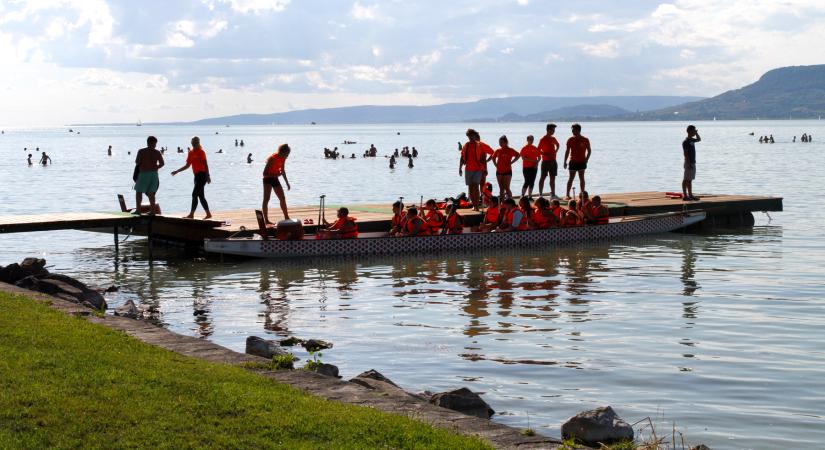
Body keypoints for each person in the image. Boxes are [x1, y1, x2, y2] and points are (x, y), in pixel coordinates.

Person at [171, 136, 212, 219]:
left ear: (198, 143)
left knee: (194, 194)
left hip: (203, 175)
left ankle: (191, 214)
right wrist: (177, 171)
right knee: (200, 196)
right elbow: (187, 165)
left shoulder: (201, 152)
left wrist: (208, 176)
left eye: (196, 142)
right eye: (193, 143)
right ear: (191, 143)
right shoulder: (191, 152)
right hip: (196, 176)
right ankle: (208, 214)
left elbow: (205, 164)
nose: (194, 144)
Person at [459, 129, 493, 210]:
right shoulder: (466, 145)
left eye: (472, 135)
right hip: (468, 169)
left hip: (478, 169)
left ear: (475, 136)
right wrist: (459, 168)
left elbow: (485, 157)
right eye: (469, 136)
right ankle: (474, 205)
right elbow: (462, 157)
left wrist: (485, 168)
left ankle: (477, 206)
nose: (471, 137)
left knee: (476, 186)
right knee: (471, 187)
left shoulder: (480, 145)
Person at [134, 136, 164, 214]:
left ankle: (138, 210)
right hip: (154, 174)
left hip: (144, 173)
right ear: (152, 143)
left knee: (139, 191)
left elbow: (137, 162)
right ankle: (153, 211)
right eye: (155, 143)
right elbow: (162, 163)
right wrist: (156, 167)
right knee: (151, 193)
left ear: (147, 142)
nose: (155, 145)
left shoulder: (141, 151)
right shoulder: (157, 152)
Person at [262, 143, 291, 223]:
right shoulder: (272, 158)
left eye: (288, 154)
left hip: (275, 179)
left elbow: (283, 170)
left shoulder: (283, 158)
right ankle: (266, 220)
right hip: (267, 179)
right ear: (282, 152)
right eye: (287, 154)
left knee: (282, 198)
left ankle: (286, 217)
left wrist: (287, 183)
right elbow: (264, 173)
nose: (287, 156)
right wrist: (276, 174)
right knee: (266, 199)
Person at [563, 123, 591, 199]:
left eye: (573, 130)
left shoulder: (585, 139)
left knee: (582, 178)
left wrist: (586, 159)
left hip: (582, 162)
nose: (572, 131)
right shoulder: (570, 139)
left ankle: (582, 194)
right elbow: (567, 151)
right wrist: (564, 161)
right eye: (572, 130)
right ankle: (567, 195)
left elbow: (589, 150)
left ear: (578, 130)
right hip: (573, 162)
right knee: (571, 178)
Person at [492, 135, 520, 200]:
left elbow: (518, 155)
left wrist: (512, 162)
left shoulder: (510, 150)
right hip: (499, 171)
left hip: (507, 171)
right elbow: (493, 157)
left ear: (506, 142)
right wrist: (495, 164)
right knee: (501, 188)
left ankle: (511, 201)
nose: (500, 144)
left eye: (501, 142)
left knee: (507, 187)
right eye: (499, 142)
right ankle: (502, 202)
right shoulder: (498, 150)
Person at [537, 123, 560, 197]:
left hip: (553, 161)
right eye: (553, 130)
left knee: (552, 178)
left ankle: (553, 193)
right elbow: (538, 150)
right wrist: (544, 154)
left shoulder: (553, 138)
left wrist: (555, 151)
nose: (554, 131)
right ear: (548, 130)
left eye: (554, 130)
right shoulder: (543, 139)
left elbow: (558, 145)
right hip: (545, 161)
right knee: (543, 177)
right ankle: (540, 194)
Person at [682, 125, 701, 201]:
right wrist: (689, 163)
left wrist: (696, 133)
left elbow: (699, 139)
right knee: (686, 179)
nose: (694, 132)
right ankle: (685, 195)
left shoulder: (692, 140)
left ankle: (690, 195)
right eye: (694, 130)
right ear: (690, 131)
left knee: (690, 179)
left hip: (693, 162)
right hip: (688, 163)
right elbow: (685, 154)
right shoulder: (685, 142)